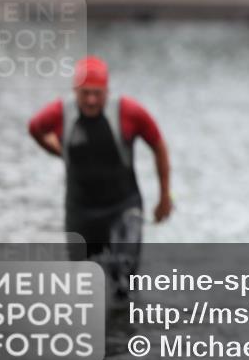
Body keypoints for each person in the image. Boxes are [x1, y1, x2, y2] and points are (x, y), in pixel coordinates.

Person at [28, 56, 172, 301]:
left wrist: (164, 197)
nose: (92, 100)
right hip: (81, 213)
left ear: (107, 91)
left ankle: (126, 335)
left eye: (97, 93)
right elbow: (35, 129)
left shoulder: (129, 112)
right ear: (75, 91)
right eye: (85, 94)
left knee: (123, 280)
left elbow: (158, 145)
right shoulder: (60, 113)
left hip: (123, 208)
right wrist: (59, 151)